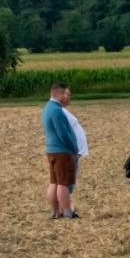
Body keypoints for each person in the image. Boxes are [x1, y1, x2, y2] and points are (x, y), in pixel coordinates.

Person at [41, 81, 80, 219]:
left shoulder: (47, 108)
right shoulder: (57, 110)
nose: (67, 96)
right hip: (61, 151)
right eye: (65, 93)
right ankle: (67, 212)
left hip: (51, 150)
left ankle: (55, 211)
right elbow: (63, 133)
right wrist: (74, 148)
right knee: (63, 182)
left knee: (54, 181)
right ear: (60, 94)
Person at [59, 86, 87, 198]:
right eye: (67, 95)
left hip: (73, 152)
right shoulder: (60, 112)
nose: (70, 98)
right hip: (69, 152)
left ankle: (64, 207)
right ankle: (64, 208)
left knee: (68, 181)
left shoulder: (62, 110)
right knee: (66, 182)